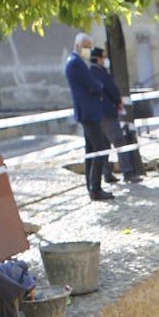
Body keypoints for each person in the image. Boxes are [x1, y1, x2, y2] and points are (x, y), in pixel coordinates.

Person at [64, 31, 113, 202]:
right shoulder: (76, 63)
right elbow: (92, 84)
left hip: (87, 111)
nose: (89, 51)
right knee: (99, 148)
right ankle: (95, 187)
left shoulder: (75, 62)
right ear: (78, 46)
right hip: (88, 111)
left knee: (90, 150)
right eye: (87, 47)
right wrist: (99, 86)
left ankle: (91, 185)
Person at [90, 47, 141, 184]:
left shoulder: (90, 72)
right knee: (119, 142)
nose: (106, 60)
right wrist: (118, 101)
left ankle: (107, 174)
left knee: (104, 145)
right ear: (99, 58)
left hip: (96, 114)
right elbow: (111, 89)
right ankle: (128, 172)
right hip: (107, 113)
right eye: (104, 57)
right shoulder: (100, 73)